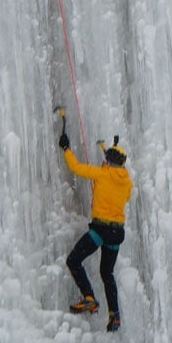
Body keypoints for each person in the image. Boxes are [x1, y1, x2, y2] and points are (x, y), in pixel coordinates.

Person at [58, 131, 133, 332]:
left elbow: (76, 167)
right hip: (117, 234)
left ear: (108, 161)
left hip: (101, 229)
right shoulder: (127, 182)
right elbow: (125, 197)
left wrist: (66, 148)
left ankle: (89, 297)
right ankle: (114, 315)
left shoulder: (102, 174)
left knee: (73, 260)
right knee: (107, 272)